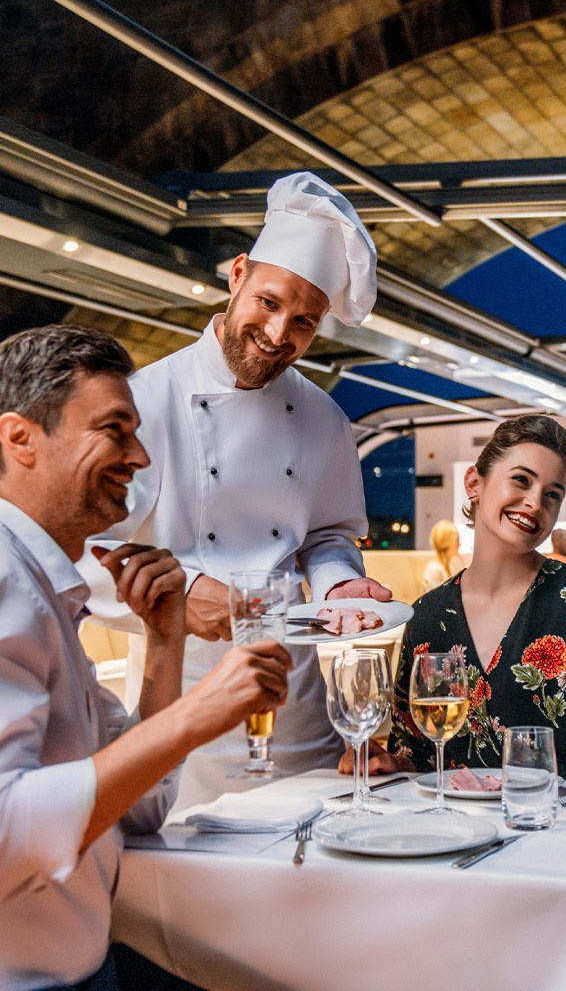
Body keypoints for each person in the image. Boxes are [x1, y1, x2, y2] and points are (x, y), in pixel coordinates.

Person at [0, 325, 292, 990]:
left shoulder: (32, 587)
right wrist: (201, 711)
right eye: (115, 430)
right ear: (20, 438)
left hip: (66, 965)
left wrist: (168, 645)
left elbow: (137, 809)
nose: (139, 458)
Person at [82, 172, 390, 781]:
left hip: (297, 697)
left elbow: (325, 536)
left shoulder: (326, 420)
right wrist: (180, 590)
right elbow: (83, 549)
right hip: (185, 692)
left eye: (304, 322)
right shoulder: (145, 401)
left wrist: (335, 587)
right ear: (238, 274)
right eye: (269, 304)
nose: (279, 336)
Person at [358, 415, 566, 797]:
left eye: (552, 494)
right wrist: (391, 764)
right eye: (521, 480)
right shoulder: (427, 618)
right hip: (451, 837)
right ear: (474, 484)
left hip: (556, 834)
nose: (535, 502)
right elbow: (416, 753)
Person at [420, 518, 464, 593]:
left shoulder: (452, 566)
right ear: (447, 542)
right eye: (457, 539)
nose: (459, 544)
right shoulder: (434, 570)